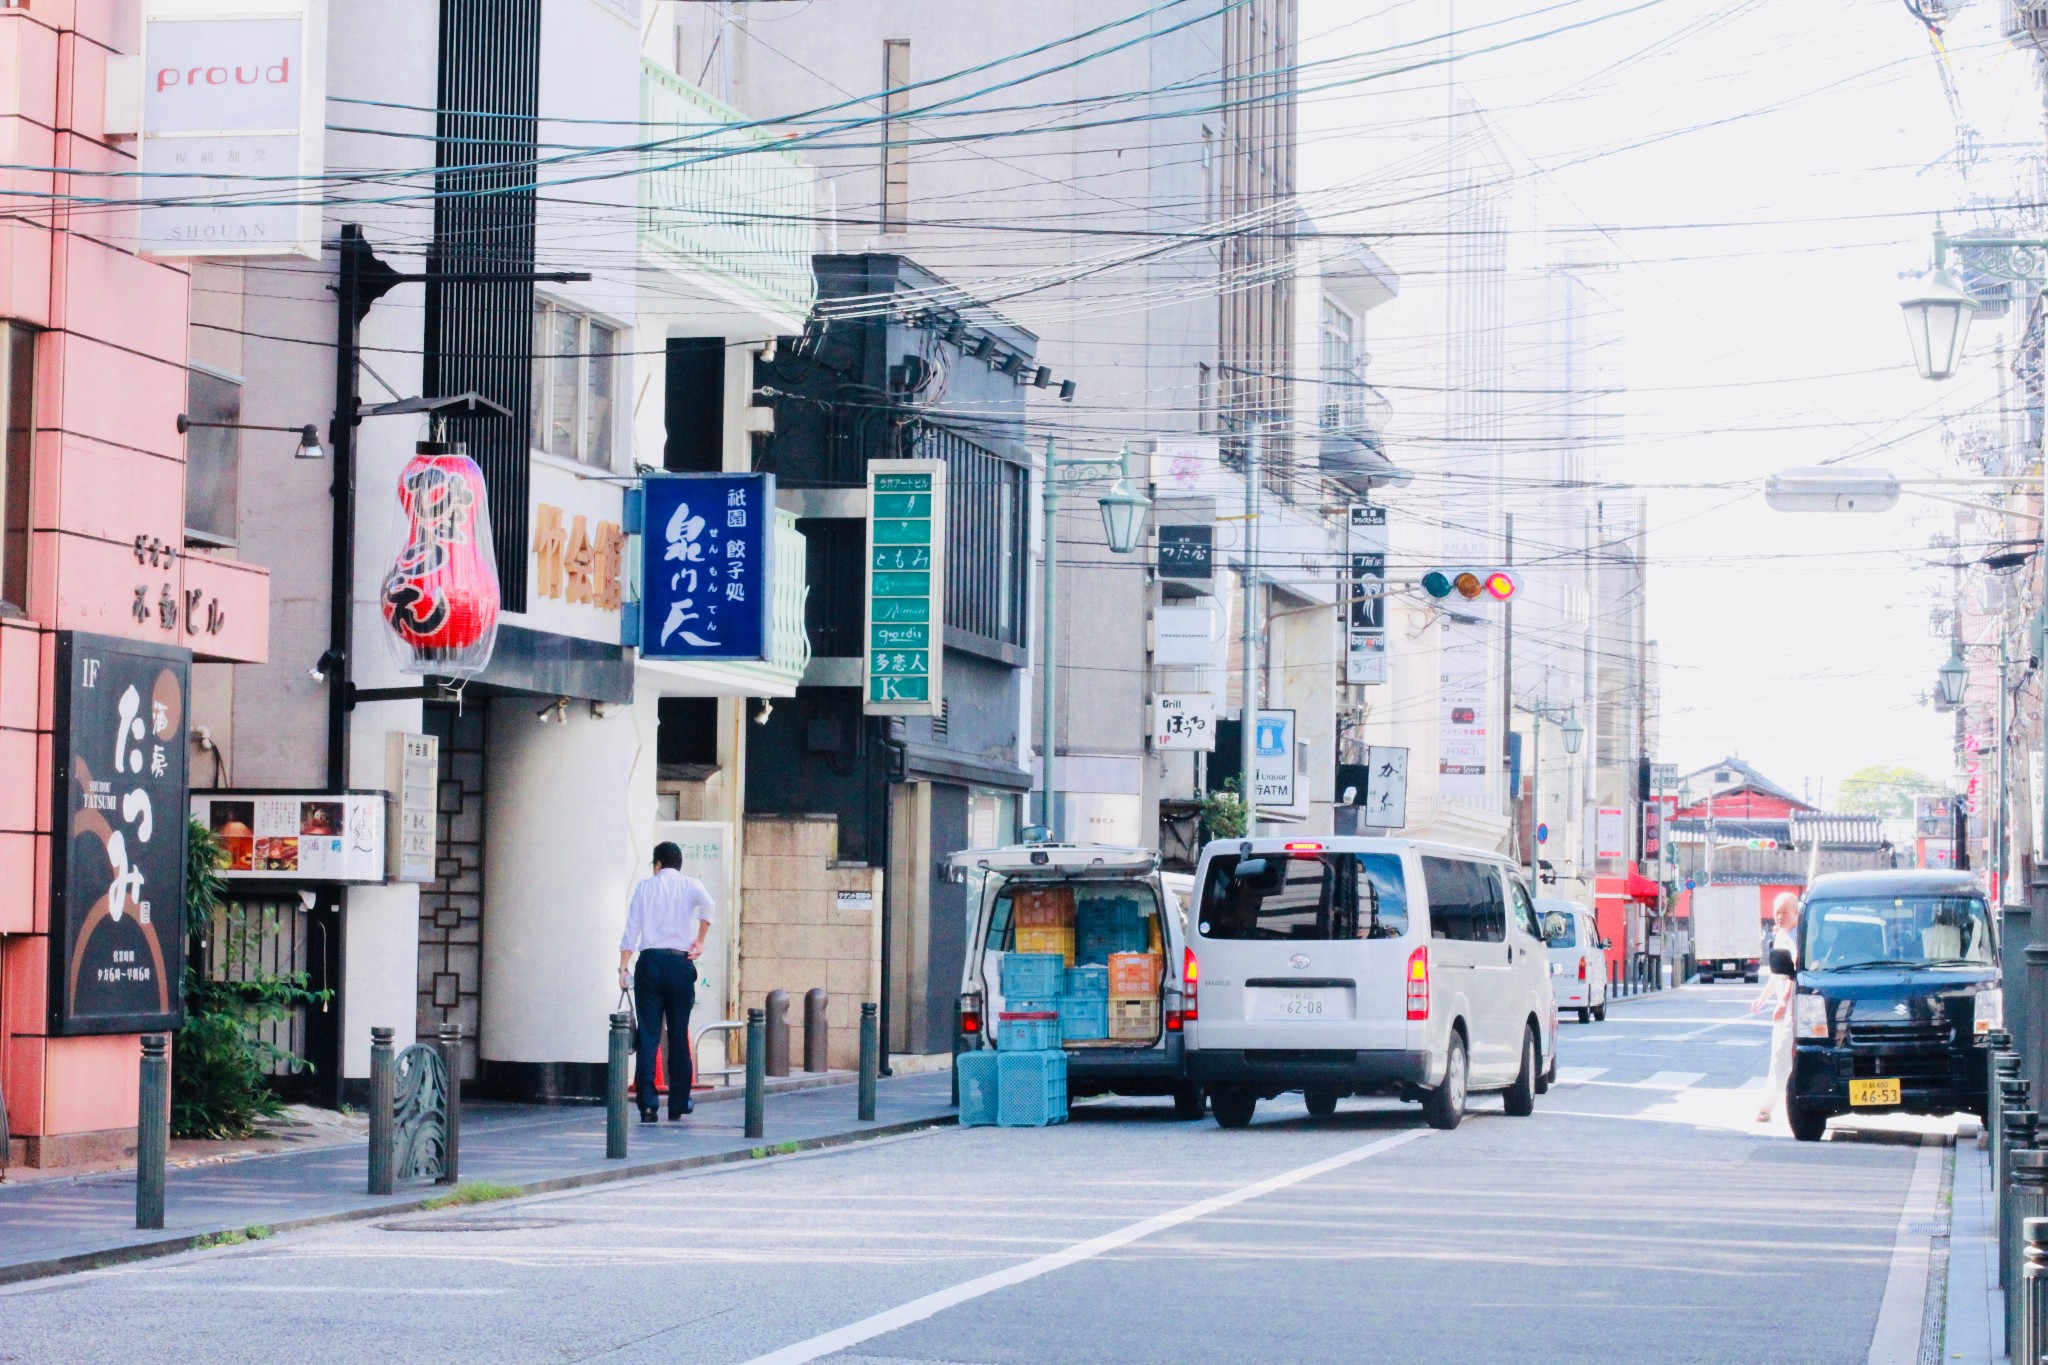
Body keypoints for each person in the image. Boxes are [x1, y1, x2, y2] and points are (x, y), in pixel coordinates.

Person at [619, 841, 715, 1122]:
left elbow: (631, 931)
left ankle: (648, 1104)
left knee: (649, 1036)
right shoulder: (690, 885)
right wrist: (699, 941)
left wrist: (623, 968)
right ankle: (679, 1103)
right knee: (678, 1034)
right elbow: (709, 907)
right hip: (679, 964)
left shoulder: (644, 888)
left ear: (658, 864)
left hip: (649, 964)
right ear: (678, 864)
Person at [1752, 892, 1800, 1124]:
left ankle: (1766, 1107)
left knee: (1782, 1057)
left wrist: (1783, 1002)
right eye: (1776, 913)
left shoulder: (1798, 937)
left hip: (1795, 1011)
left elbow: (1796, 973)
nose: (1779, 917)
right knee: (1779, 1057)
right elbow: (1778, 975)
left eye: (1784, 912)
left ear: (1796, 913)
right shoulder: (1781, 936)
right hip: (1783, 1011)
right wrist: (1763, 998)